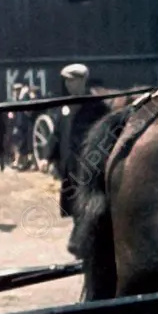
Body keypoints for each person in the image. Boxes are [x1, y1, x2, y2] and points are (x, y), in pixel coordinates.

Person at [43, 63, 111, 218]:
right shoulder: (64, 107)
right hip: (69, 168)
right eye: (66, 81)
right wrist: (47, 157)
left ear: (83, 81)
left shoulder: (97, 107)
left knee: (90, 209)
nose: (68, 84)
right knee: (74, 208)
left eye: (72, 80)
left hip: (89, 168)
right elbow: (57, 134)